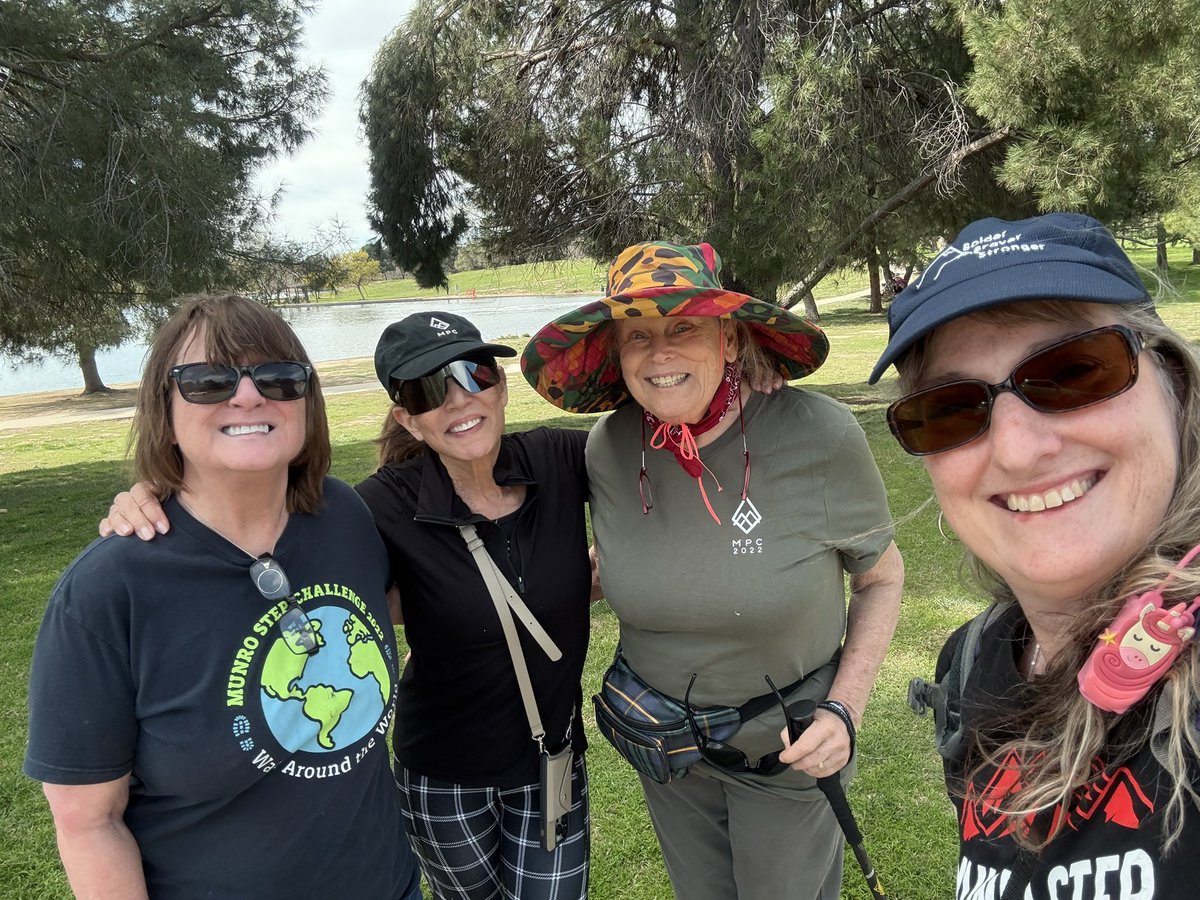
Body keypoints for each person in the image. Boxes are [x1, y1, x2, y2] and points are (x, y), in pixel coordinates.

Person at [101, 310, 593, 900]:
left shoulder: (559, 458)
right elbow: (264, 528)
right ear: (407, 418)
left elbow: (656, 445)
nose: (460, 398)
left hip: (552, 760)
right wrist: (157, 492)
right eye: (429, 389)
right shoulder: (375, 507)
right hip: (444, 774)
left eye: (476, 373)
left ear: (502, 386)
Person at [523, 241, 905, 899]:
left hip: (788, 750)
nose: (659, 353)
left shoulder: (820, 435)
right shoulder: (608, 448)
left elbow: (882, 577)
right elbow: (619, 564)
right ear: (617, 353)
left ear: (729, 339)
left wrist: (845, 710)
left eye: (684, 329)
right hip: (666, 750)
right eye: (638, 335)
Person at [25, 295, 420, 899]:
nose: (248, 396)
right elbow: (88, 822)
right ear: (164, 408)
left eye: (279, 377)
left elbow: (401, 604)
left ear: (306, 401)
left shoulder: (343, 515)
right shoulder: (107, 591)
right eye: (208, 381)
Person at [870, 212, 1200, 895]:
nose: (1019, 451)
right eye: (952, 408)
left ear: (1172, 380)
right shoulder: (974, 664)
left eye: (1074, 371)